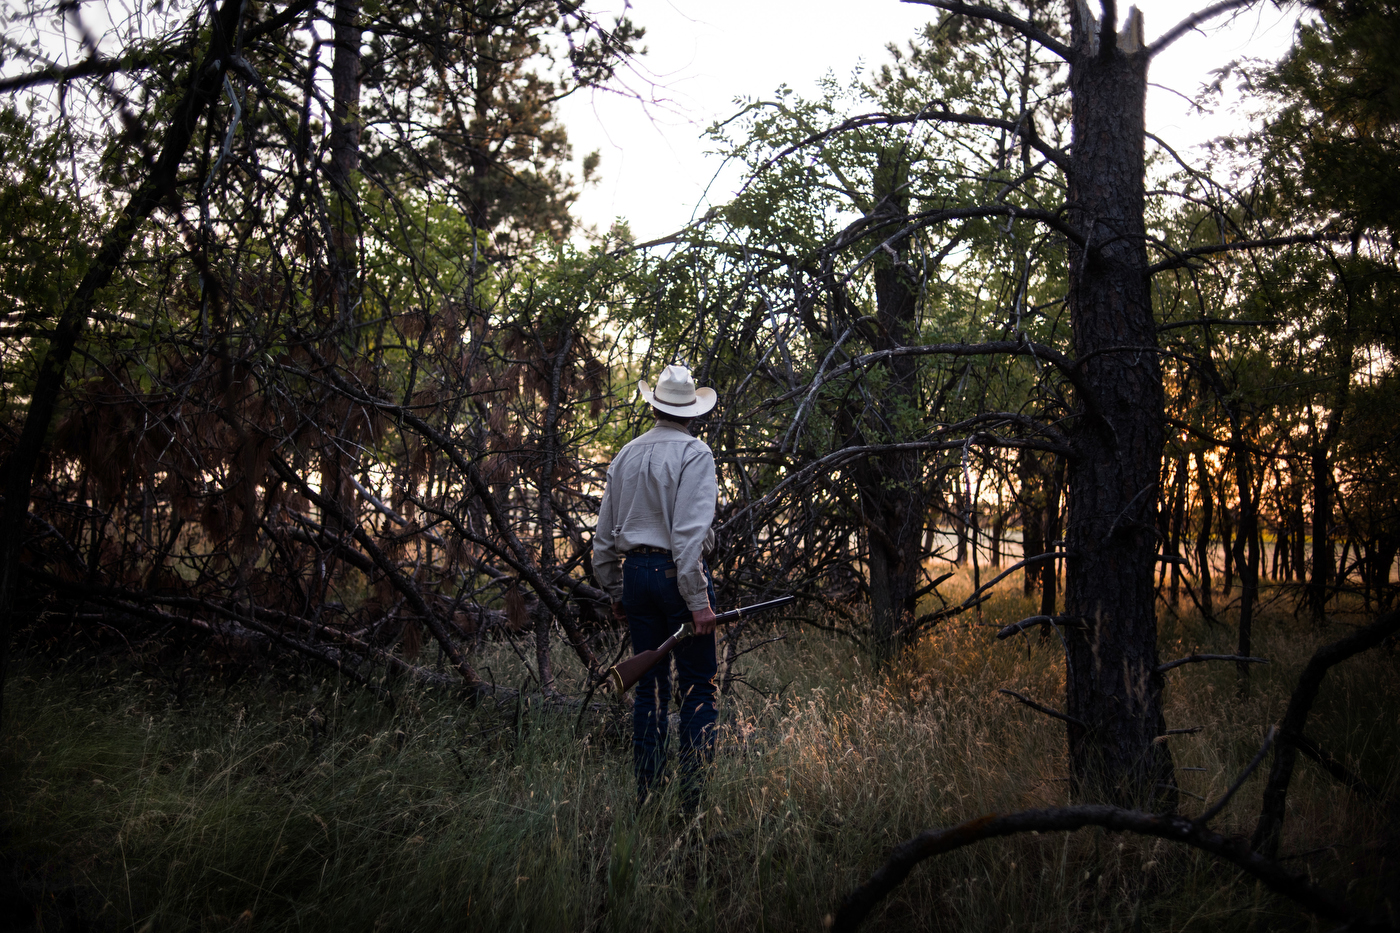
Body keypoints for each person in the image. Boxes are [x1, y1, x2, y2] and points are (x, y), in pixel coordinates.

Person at [593, 364, 719, 812]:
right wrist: (699, 602)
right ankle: (694, 805)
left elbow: (603, 540)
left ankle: (647, 798)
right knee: (698, 687)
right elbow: (687, 539)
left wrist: (615, 592)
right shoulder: (695, 454)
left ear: (653, 406)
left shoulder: (625, 454)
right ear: (692, 412)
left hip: (635, 579)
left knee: (649, 690)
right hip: (675, 579)